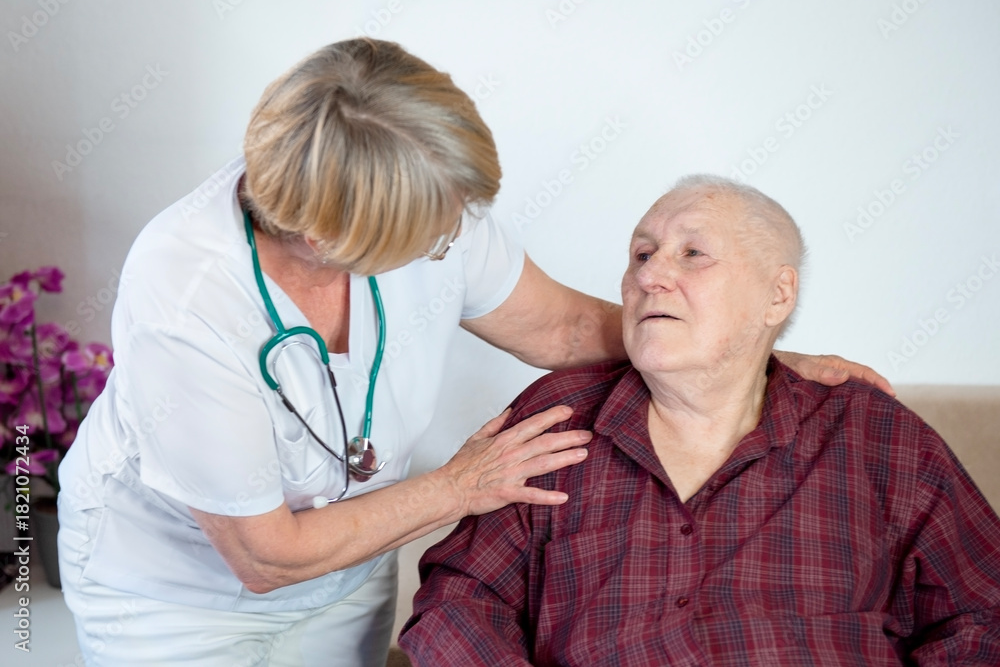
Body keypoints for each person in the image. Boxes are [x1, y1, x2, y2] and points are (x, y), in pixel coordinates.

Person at [57, 39, 888, 666]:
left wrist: (743, 353)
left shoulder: (428, 192)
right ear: (329, 237)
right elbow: (265, 556)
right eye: (433, 232)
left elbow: (563, 329)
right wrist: (460, 486)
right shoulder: (188, 298)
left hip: (346, 573)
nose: (455, 238)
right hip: (177, 595)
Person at [400, 175, 1000, 666]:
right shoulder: (556, 422)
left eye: (693, 254)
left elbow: (984, 615)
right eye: (641, 255)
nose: (648, 275)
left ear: (777, 295)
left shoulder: (873, 433)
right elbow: (457, 607)